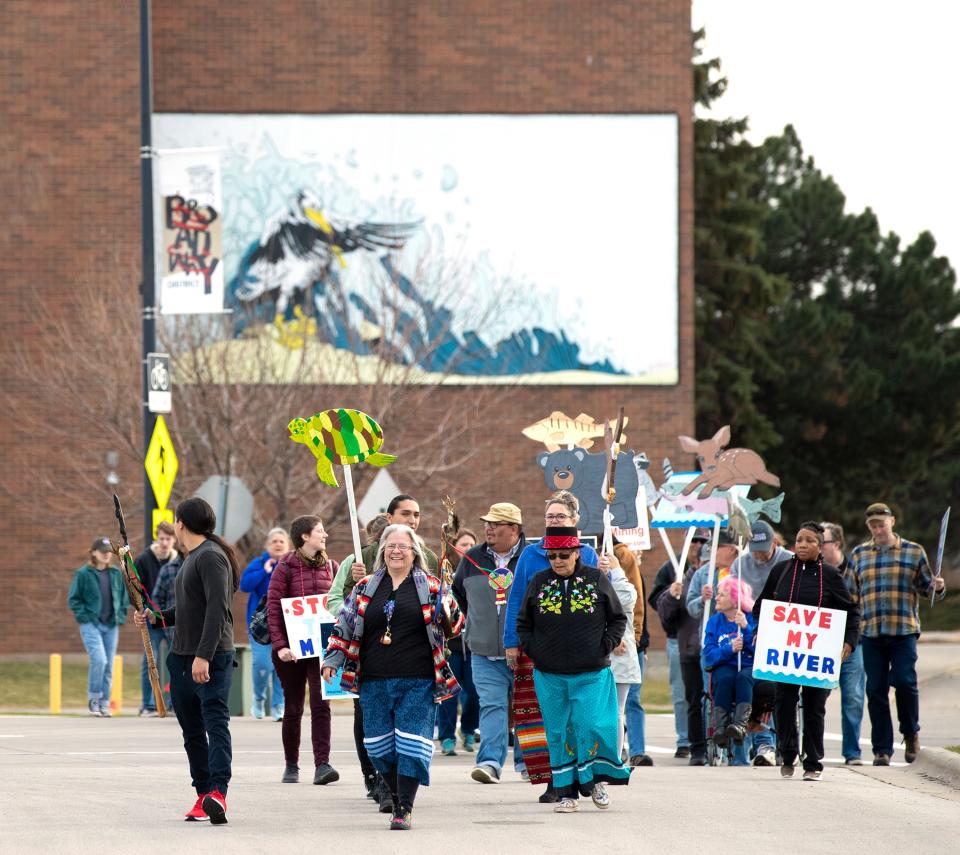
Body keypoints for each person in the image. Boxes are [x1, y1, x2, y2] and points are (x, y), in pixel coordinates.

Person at [322, 524, 463, 831]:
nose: (397, 551)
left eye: (403, 546)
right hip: (373, 679)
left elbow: (456, 624)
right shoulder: (366, 587)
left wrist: (449, 614)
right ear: (383, 551)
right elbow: (343, 625)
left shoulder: (432, 586)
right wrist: (333, 658)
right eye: (391, 546)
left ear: (415, 553)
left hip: (419, 679)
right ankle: (396, 794)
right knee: (377, 746)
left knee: (411, 742)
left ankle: (404, 807)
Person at [133, 497, 239, 825]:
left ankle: (218, 792)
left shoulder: (211, 557)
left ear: (180, 523)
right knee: (192, 731)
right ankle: (203, 793)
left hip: (210, 656)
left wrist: (203, 656)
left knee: (215, 722)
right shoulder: (190, 557)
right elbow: (190, 609)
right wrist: (157, 617)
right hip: (180, 657)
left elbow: (216, 611)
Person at [516, 526, 630, 813]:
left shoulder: (595, 579)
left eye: (563, 555)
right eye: (552, 555)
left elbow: (617, 618)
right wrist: (535, 651)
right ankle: (567, 794)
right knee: (557, 732)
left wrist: (606, 644)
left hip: (591, 672)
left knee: (591, 725)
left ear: (576, 553)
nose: (557, 560)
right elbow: (523, 623)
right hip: (550, 674)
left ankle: (596, 782)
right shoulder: (539, 582)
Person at [503, 490, 600, 801]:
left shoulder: (588, 554)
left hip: (580, 649)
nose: (554, 521)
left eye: (560, 516)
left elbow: (598, 602)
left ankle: (583, 776)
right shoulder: (531, 555)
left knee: (578, 715)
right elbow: (516, 599)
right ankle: (554, 781)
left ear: (574, 521)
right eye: (549, 517)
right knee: (544, 717)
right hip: (539, 649)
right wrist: (511, 642)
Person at [753, 521, 860, 781]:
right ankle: (788, 754)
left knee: (814, 706)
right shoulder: (781, 571)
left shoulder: (831, 575)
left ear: (819, 546)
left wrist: (848, 642)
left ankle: (813, 763)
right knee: (785, 702)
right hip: (786, 654)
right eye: (799, 539)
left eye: (809, 540)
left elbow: (851, 612)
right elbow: (762, 606)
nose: (802, 544)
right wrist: (761, 629)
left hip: (817, 655)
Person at [851, 503, 946, 765]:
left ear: (892, 521)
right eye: (873, 525)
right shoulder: (859, 554)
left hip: (903, 629)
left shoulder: (913, 552)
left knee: (905, 681)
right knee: (876, 689)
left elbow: (926, 588)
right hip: (871, 632)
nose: (878, 528)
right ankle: (882, 748)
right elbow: (850, 594)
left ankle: (910, 732)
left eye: (882, 523)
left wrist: (936, 587)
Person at [452, 503, 527, 784]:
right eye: (487, 523)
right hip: (483, 650)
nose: (489, 528)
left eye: (496, 524)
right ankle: (490, 763)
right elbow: (460, 595)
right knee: (492, 705)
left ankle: (527, 763)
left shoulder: (531, 557)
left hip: (524, 651)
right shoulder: (471, 559)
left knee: (526, 707)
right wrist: (479, 624)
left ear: (514, 529)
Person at [267, 516, 339, 786]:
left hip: (321, 647)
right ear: (305, 537)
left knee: (322, 704)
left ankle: (323, 764)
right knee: (294, 706)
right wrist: (281, 646)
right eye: (320, 531)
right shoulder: (285, 566)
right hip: (291, 650)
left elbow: (338, 605)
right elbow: (274, 608)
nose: (325, 535)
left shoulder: (332, 567)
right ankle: (291, 765)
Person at [326, 512, 390, 806]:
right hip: (362, 648)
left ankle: (390, 777)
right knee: (364, 712)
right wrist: (354, 615)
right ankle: (372, 775)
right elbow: (334, 598)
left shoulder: (415, 558)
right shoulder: (356, 562)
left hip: (399, 650)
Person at [724, 520, 792, 766]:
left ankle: (767, 743)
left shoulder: (788, 560)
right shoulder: (741, 563)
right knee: (745, 682)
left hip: (780, 628)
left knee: (771, 685)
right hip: (749, 625)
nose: (758, 554)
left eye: (763, 548)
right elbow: (732, 592)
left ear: (775, 542)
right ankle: (752, 745)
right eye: (754, 548)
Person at [648, 527, 709, 758]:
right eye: (693, 540)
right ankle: (685, 740)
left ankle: (707, 737)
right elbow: (656, 601)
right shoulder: (672, 567)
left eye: (702, 540)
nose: (697, 545)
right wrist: (673, 593)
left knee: (708, 692)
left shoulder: (712, 569)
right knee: (682, 693)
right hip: (678, 638)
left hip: (706, 638)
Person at [68, 536, 130, 717]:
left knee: (109, 664)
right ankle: (94, 698)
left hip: (111, 624)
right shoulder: (83, 574)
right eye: (102, 551)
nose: (106, 555)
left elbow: (123, 598)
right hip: (91, 624)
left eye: (108, 552)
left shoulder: (116, 573)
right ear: (93, 552)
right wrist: (84, 617)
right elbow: (74, 599)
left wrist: (121, 615)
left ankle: (104, 703)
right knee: (99, 660)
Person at [821, 521, 866, 765]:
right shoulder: (813, 570)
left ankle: (852, 752)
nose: (817, 545)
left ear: (836, 544)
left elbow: (862, 605)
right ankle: (810, 748)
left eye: (822, 541)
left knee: (853, 697)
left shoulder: (855, 569)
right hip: (820, 642)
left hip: (851, 642)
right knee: (814, 697)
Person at [239, 527, 291, 720]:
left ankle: (278, 706)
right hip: (262, 626)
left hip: (286, 623)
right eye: (274, 542)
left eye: (281, 542)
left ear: (288, 546)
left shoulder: (292, 564)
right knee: (262, 665)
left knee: (281, 667)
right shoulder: (259, 563)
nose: (278, 544)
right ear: (267, 545)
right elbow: (245, 585)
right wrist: (264, 571)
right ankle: (259, 698)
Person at [437, 527, 480, 757]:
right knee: (449, 694)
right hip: (451, 647)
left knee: (474, 693)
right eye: (463, 544)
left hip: (474, 645)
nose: (467, 548)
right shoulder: (444, 572)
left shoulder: (480, 571)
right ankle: (446, 736)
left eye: (471, 544)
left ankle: (469, 729)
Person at [702, 576, 756, 750]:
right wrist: (729, 649)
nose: (716, 598)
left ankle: (740, 725)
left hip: (749, 667)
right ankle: (720, 728)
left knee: (743, 677)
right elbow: (708, 655)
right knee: (724, 677)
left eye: (722, 595)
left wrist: (747, 629)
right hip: (725, 666)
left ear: (735, 600)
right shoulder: (714, 622)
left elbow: (762, 651)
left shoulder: (752, 619)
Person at [134, 521, 178, 717]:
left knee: (175, 660)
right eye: (161, 539)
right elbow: (134, 587)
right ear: (156, 538)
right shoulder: (144, 559)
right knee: (149, 661)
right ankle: (148, 704)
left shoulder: (178, 561)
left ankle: (173, 702)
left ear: (174, 540)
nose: (165, 543)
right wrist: (143, 610)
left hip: (171, 619)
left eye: (168, 539)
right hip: (151, 617)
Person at [605, 545, 643, 765]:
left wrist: (617, 571)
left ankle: (615, 759)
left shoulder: (625, 586)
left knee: (617, 711)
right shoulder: (592, 584)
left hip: (620, 661)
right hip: (599, 657)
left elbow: (626, 599)